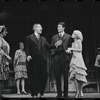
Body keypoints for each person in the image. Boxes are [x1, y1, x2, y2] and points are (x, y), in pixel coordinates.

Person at [25, 23, 56, 98]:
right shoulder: (29, 38)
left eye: (41, 27)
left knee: (43, 76)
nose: (41, 28)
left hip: (42, 60)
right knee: (34, 76)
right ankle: (35, 93)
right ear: (35, 28)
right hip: (33, 60)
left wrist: (55, 45)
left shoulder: (43, 38)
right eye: (40, 27)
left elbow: (48, 46)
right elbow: (27, 48)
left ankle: (40, 92)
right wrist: (28, 55)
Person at [51, 22, 73, 97]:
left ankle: (66, 94)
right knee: (57, 76)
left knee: (66, 76)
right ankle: (59, 94)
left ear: (63, 28)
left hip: (65, 57)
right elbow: (52, 48)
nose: (58, 28)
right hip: (57, 58)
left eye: (59, 27)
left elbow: (70, 47)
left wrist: (69, 52)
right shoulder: (54, 37)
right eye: (57, 27)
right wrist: (56, 47)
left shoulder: (68, 36)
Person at [66, 30, 87, 97]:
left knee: (79, 75)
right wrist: (69, 51)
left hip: (79, 59)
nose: (72, 34)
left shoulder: (79, 41)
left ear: (76, 35)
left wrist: (71, 49)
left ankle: (80, 90)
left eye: (73, 33)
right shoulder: (73, 43)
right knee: (74, 75)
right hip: (74, 59)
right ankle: (77, 91)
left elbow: (80, 50)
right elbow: (73, 51)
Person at [0, 25, 11, 97]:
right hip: (0, 60)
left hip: (3, 60)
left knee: (1, 77)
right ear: (1, 31)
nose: (6, 32)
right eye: (5, 31)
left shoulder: (2, 39)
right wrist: (6, 56)